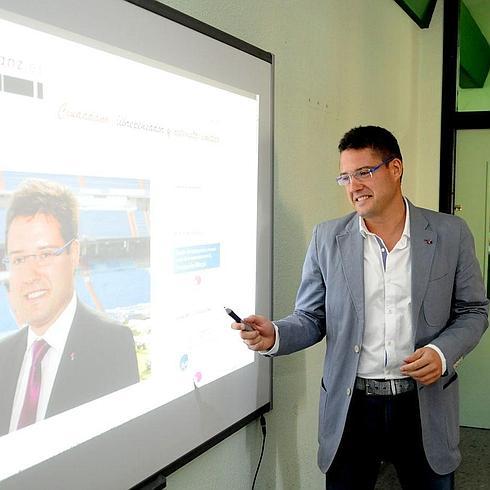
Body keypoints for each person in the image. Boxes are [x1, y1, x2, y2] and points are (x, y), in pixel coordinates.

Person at [232, 126, 488, 489]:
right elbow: (311, 317)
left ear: (395, 168)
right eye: (345, 176)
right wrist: (275, 334)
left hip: (422, 403)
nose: (353, 186)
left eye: (363, 172)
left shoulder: (450, 233)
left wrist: (441, 353)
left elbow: (474, 310)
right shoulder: (327, 238)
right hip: (352, 406)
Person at [0, 180, 139, 436]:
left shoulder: (111, 346)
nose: (29, 275)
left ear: (74, 254)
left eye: (44, 254)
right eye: (19, 259)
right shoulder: (2, 354)